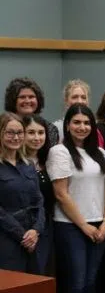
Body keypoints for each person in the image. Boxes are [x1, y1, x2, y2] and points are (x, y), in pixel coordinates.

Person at [47, 104, 105, 293]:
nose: (82, 127)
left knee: (91, 280)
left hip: (98, 224)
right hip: (70, 225)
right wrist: (84, 226)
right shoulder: (59, 152)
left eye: (86, 123)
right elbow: (61, 194)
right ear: (67, 125)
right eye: (76, 122)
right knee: (77, 279)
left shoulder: (101, 154)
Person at [0, 112, 45, 273]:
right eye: (10, 133)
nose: (16, 137)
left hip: (34, 238)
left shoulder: (28, 165)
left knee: (36, 284)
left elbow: (39, 201)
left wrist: (36, 230)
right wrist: (22, 235)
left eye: (20, 132)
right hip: (7, 239)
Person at [23, 114, 55, 274]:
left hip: (47, 226)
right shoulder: (14, 163)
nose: (37, 138)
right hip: (23, 229)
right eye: (31, 132)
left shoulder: (49, 160)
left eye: (41, 133)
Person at [4, 77, 59, 146]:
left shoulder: (49, 129)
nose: (27, 101)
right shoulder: (3, 125)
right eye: (22, 97)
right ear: (13, 100)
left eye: (31, 97)